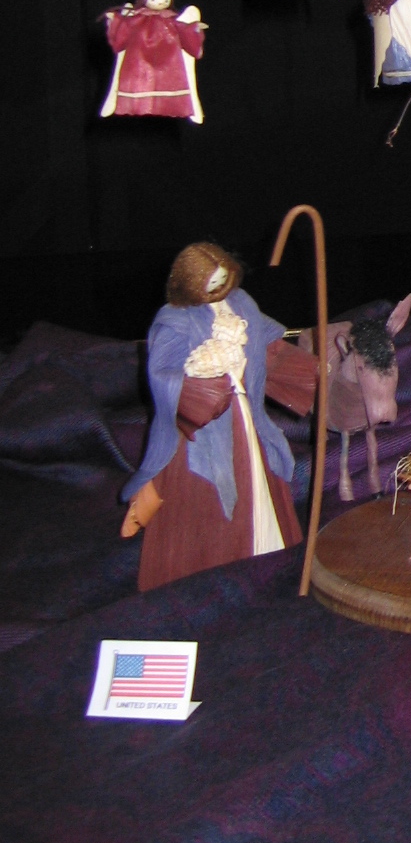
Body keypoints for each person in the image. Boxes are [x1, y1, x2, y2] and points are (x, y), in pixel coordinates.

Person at [122, 241, 318, 591]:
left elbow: (268, 344)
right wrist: (200, 390)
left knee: (256, 477)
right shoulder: (176, 320)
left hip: (246, 414)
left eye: (223, 280)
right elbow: (162, 374)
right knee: (204, 492)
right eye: (210, 283)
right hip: (203, 429)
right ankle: (204, 570)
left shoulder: (241, 303)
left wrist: (310, 372)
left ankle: (266, 553)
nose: (218, 289)